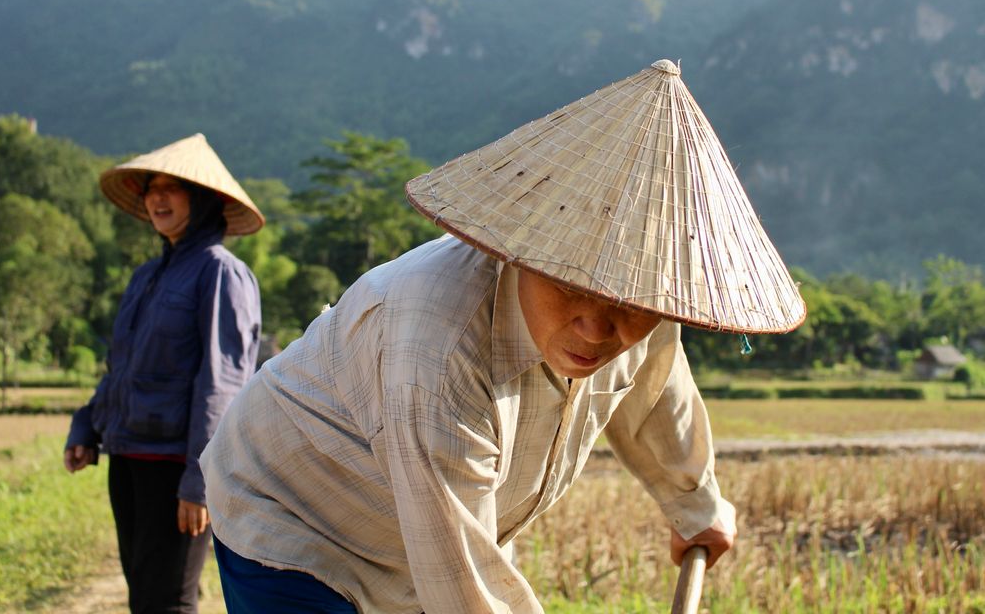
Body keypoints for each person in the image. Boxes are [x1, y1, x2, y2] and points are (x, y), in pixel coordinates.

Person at [200, 60, 807, 613]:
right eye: (570, 287)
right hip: (299, 524)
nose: (597, 329)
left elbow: (654, 399)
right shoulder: (435, 345)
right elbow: (466, 592)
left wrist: (695, 508)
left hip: (423, 538)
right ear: (523, 252)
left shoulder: (648, 297)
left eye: (629, 306)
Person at [64, 133, 265, 614]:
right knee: (144, 595)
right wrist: (87, 425)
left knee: (168, 600)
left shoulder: (220, 273)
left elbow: (222, 383)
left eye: (171, 188)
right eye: (150, 188)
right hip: (129, 459)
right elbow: (123, 368)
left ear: (202, 199)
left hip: (176, 466)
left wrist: (199, 481)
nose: (156, 197)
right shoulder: (145, 277)